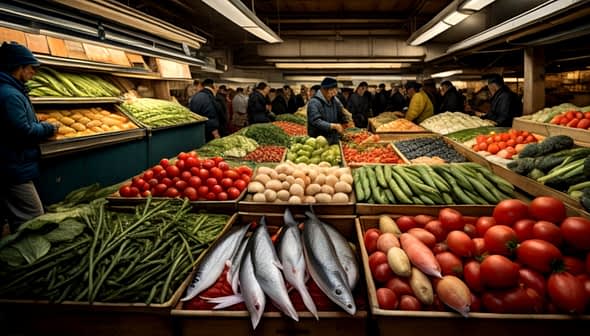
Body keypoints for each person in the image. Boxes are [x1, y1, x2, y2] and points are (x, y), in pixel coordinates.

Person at [0, 42, 58, 232]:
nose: (34, 72)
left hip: (14, 164)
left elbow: (14, 123)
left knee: (18, 217)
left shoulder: (12, 90)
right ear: (19, 67)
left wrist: (35, 121)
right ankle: (30, 259)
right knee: (32, 218)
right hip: (14, 166)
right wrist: (48, 128)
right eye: (31, 67)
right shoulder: (10, 95)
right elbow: (23, 131)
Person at [307, 77, 351, 145]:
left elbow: (341, 112)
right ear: (323, 90)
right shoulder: (314, 102)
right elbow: (316, 121)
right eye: (332, 91)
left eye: (335, 91)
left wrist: (346, 121)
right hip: (318, 141)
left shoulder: (333, 100)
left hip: (332, 139)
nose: (334, 94)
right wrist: (333, 126)